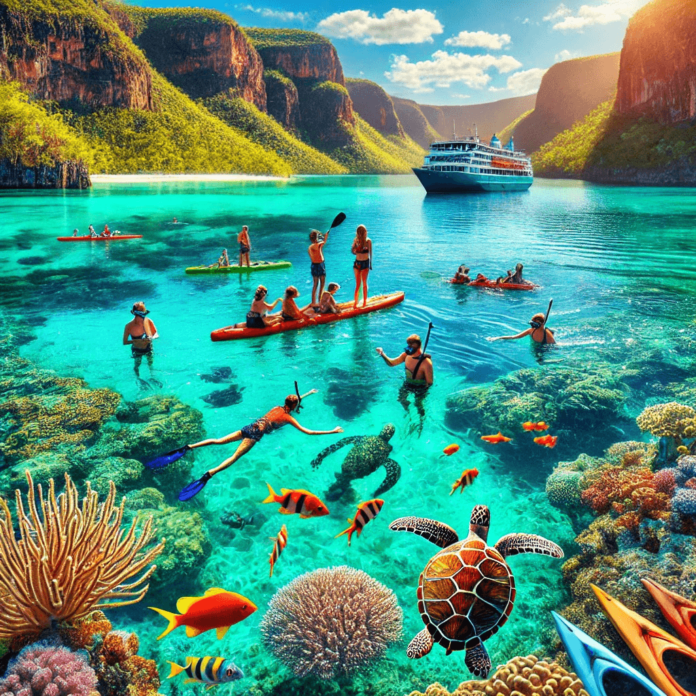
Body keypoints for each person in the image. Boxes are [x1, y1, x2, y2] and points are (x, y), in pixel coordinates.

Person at [179, 391, 343, 500]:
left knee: (218, 440)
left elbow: (294, 402)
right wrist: (332, 431)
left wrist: (308, 394)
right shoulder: (288, 418)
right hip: (255, 434)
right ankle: (210, 473)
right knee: (235, 457)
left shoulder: (276, 408)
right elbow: (309, 432)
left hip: (250, 426)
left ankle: (189, 446)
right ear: (294, 406)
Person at [376, 334, 433, 431]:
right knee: (401, 399)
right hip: (407, 384)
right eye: (408, 344)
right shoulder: (406, 355)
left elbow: (430, 382)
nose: (408, 347)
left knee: (418, 405)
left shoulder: (426, 362)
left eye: (411, 345)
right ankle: (410, 415)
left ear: (418, 345)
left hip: (420, 387)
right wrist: (382, 354)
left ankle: (421, 423)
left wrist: (422, 394)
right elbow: (392, 363)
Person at [122, 302, 162, 388]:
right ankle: (138, 379)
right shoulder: (128, 326)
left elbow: (156, 334)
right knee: (137, 365)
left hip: (148, 347)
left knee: (150, 363)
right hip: (137, 350)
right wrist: (136, 341)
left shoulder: (148, 321)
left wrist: (151, 338)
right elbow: (125, 342)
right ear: (134, 313)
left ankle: (152, 377)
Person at [489, 312, 556, 345]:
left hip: (545, 347)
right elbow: (513, 337)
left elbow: (554, 345)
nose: (533, 327)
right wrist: (498, 338)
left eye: (535, 325)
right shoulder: (531, 331)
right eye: (532, 324)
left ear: (541, 325)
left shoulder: (547, 334)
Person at [351, 225, 372, 309]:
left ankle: (359, 303)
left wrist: (370, 264)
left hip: (360, 263)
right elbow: (370, 253)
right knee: (362, 284)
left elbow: (354, 252)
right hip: (361, 263)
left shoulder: (365, 241)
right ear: (365, 232)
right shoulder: (358, 241)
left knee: (360, 284)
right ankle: (362, 303)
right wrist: (370, 264)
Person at [308, 229, 330, 306]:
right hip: (318, 265)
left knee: (318, 284)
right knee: (319, 284)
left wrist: (325, 236)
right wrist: (325, 237)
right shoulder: (314, 246)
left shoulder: (312, 246)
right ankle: (317, 302)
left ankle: (316, 301)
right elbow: (322, 243)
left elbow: (322, 243)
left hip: (317, 265)